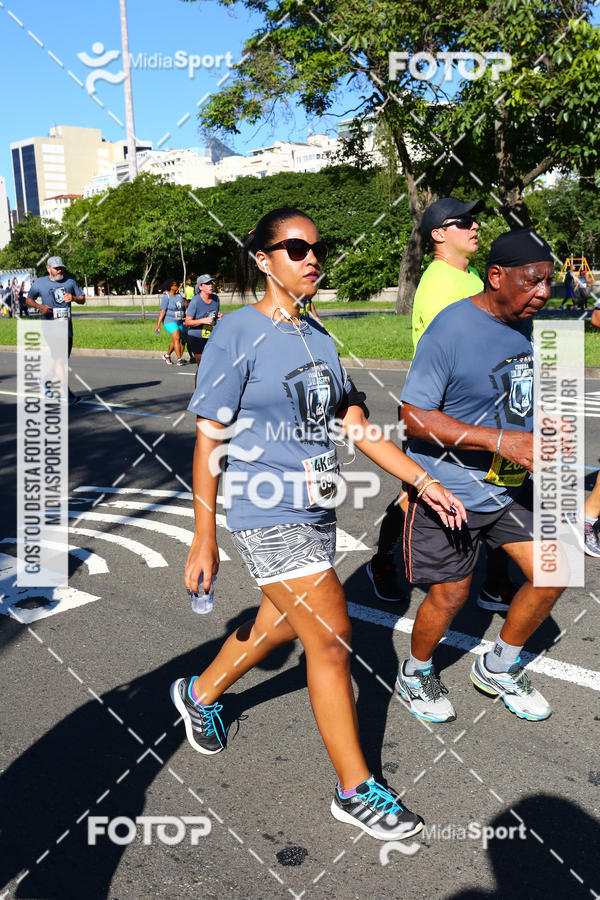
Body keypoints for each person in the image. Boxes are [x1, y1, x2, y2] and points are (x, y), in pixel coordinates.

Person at [171, 206, 467, 841]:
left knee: (278, 625)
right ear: (263, 258)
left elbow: (355, 429)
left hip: (315, 512)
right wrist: (204, 536)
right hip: (265, 510)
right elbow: (207, 440)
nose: (311, 258)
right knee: (331, 639)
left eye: (316, 246)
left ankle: (198, 695)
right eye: (295, 247)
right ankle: (355, 788)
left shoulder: (319, 337)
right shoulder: (235, 334)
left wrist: (424, 481)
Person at [395, 228, 565, 724]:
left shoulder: (528, 325)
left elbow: (522, 393)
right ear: (496, 276)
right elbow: (413, 416)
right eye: (532, 282)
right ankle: (416, 672)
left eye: (547, 282)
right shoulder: (450, 329)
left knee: (554, 571)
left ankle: (501, 665)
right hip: (450, 486)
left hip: (511, 481)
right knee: (451, 594)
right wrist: (499, 440)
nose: (543, 293)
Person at [369, 197, 516, 615]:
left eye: (474, 219)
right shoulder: (439, 288)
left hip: (485, 407)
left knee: (501, 480)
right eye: (464, 221)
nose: (475, 226)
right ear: (438, 234)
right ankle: (383, 562)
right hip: (446, 412)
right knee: (417, 491)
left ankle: (496, 579)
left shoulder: (468, 276)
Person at [26, 256, 86, 404]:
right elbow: (28, 299)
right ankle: (67, 394)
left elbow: (83, 299)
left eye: (61, 267)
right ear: (48, 268)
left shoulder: (70, 281)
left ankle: (44, 380)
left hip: (66, 328)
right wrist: (40, 307)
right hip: (50, 327)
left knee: (61, 360)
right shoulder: (40, 283)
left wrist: (73, 298)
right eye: (56, 268)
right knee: (60, 362)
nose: (59, 270)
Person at [184, 274, 222, 381]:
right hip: (196, 337)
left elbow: (214, 313)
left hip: (211, 335)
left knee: (214, 365)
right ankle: (198, 393)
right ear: (200, 287)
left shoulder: (216, 299)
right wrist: (203, 321)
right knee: (203, 367)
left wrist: (218, 316)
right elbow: (187, 322)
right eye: (207, 284)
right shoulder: (195, 301)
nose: (210, 286)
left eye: (211, 283)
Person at [155, 280, 186, 366]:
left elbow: (183, 308)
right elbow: (162, 311)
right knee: (177, 338)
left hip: (179, 321)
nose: (177, 286)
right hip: (169, 321)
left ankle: (167, 355)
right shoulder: (166, 297)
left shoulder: (179, 296)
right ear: (170, 287)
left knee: (175, 340)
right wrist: (158, 325)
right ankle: (180, 359)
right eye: (175, 285)